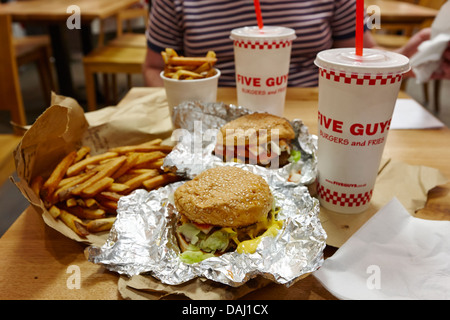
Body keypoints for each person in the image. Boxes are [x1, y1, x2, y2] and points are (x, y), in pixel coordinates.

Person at [143, 0, 450, 87]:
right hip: (209, 123)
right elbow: (154, 67)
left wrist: (405, 61)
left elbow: (359, 56)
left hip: (324, 115)